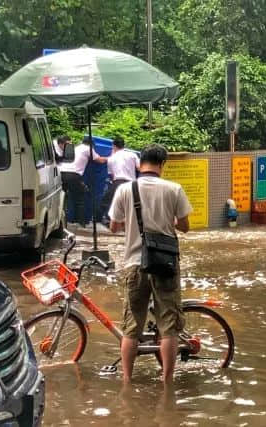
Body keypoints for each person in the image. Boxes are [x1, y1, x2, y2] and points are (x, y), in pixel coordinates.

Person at [108, 144, 192, 384]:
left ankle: (127, 381)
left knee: (131, 325)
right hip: (165, 263)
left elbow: (114, 226)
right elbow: (185, 226)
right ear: (162, 164)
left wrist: (136, 224)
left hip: (134, 263)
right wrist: (166, 222)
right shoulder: (174, 189)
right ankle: (167, 383)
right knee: (169, 326)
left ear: (140, 163)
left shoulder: (125, 189)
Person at [59, 136, 107, 227]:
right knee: (80, 198)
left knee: (64, 198)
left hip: (62, 173)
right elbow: (100, 160)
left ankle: (66, 221)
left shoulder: (76, 148)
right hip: (73, 175)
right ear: (91, 144)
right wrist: (111, 157)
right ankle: (81, 223)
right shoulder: (88, 149)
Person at [99, 136, 140, 225]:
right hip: (132, 183)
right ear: (124, 145)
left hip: (118, 183)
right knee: (131, 204)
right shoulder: (132, 155)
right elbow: (139, 168)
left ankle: (107, 221)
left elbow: (112, 175)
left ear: (114, 146)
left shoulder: (111, 158)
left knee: (107, 202)